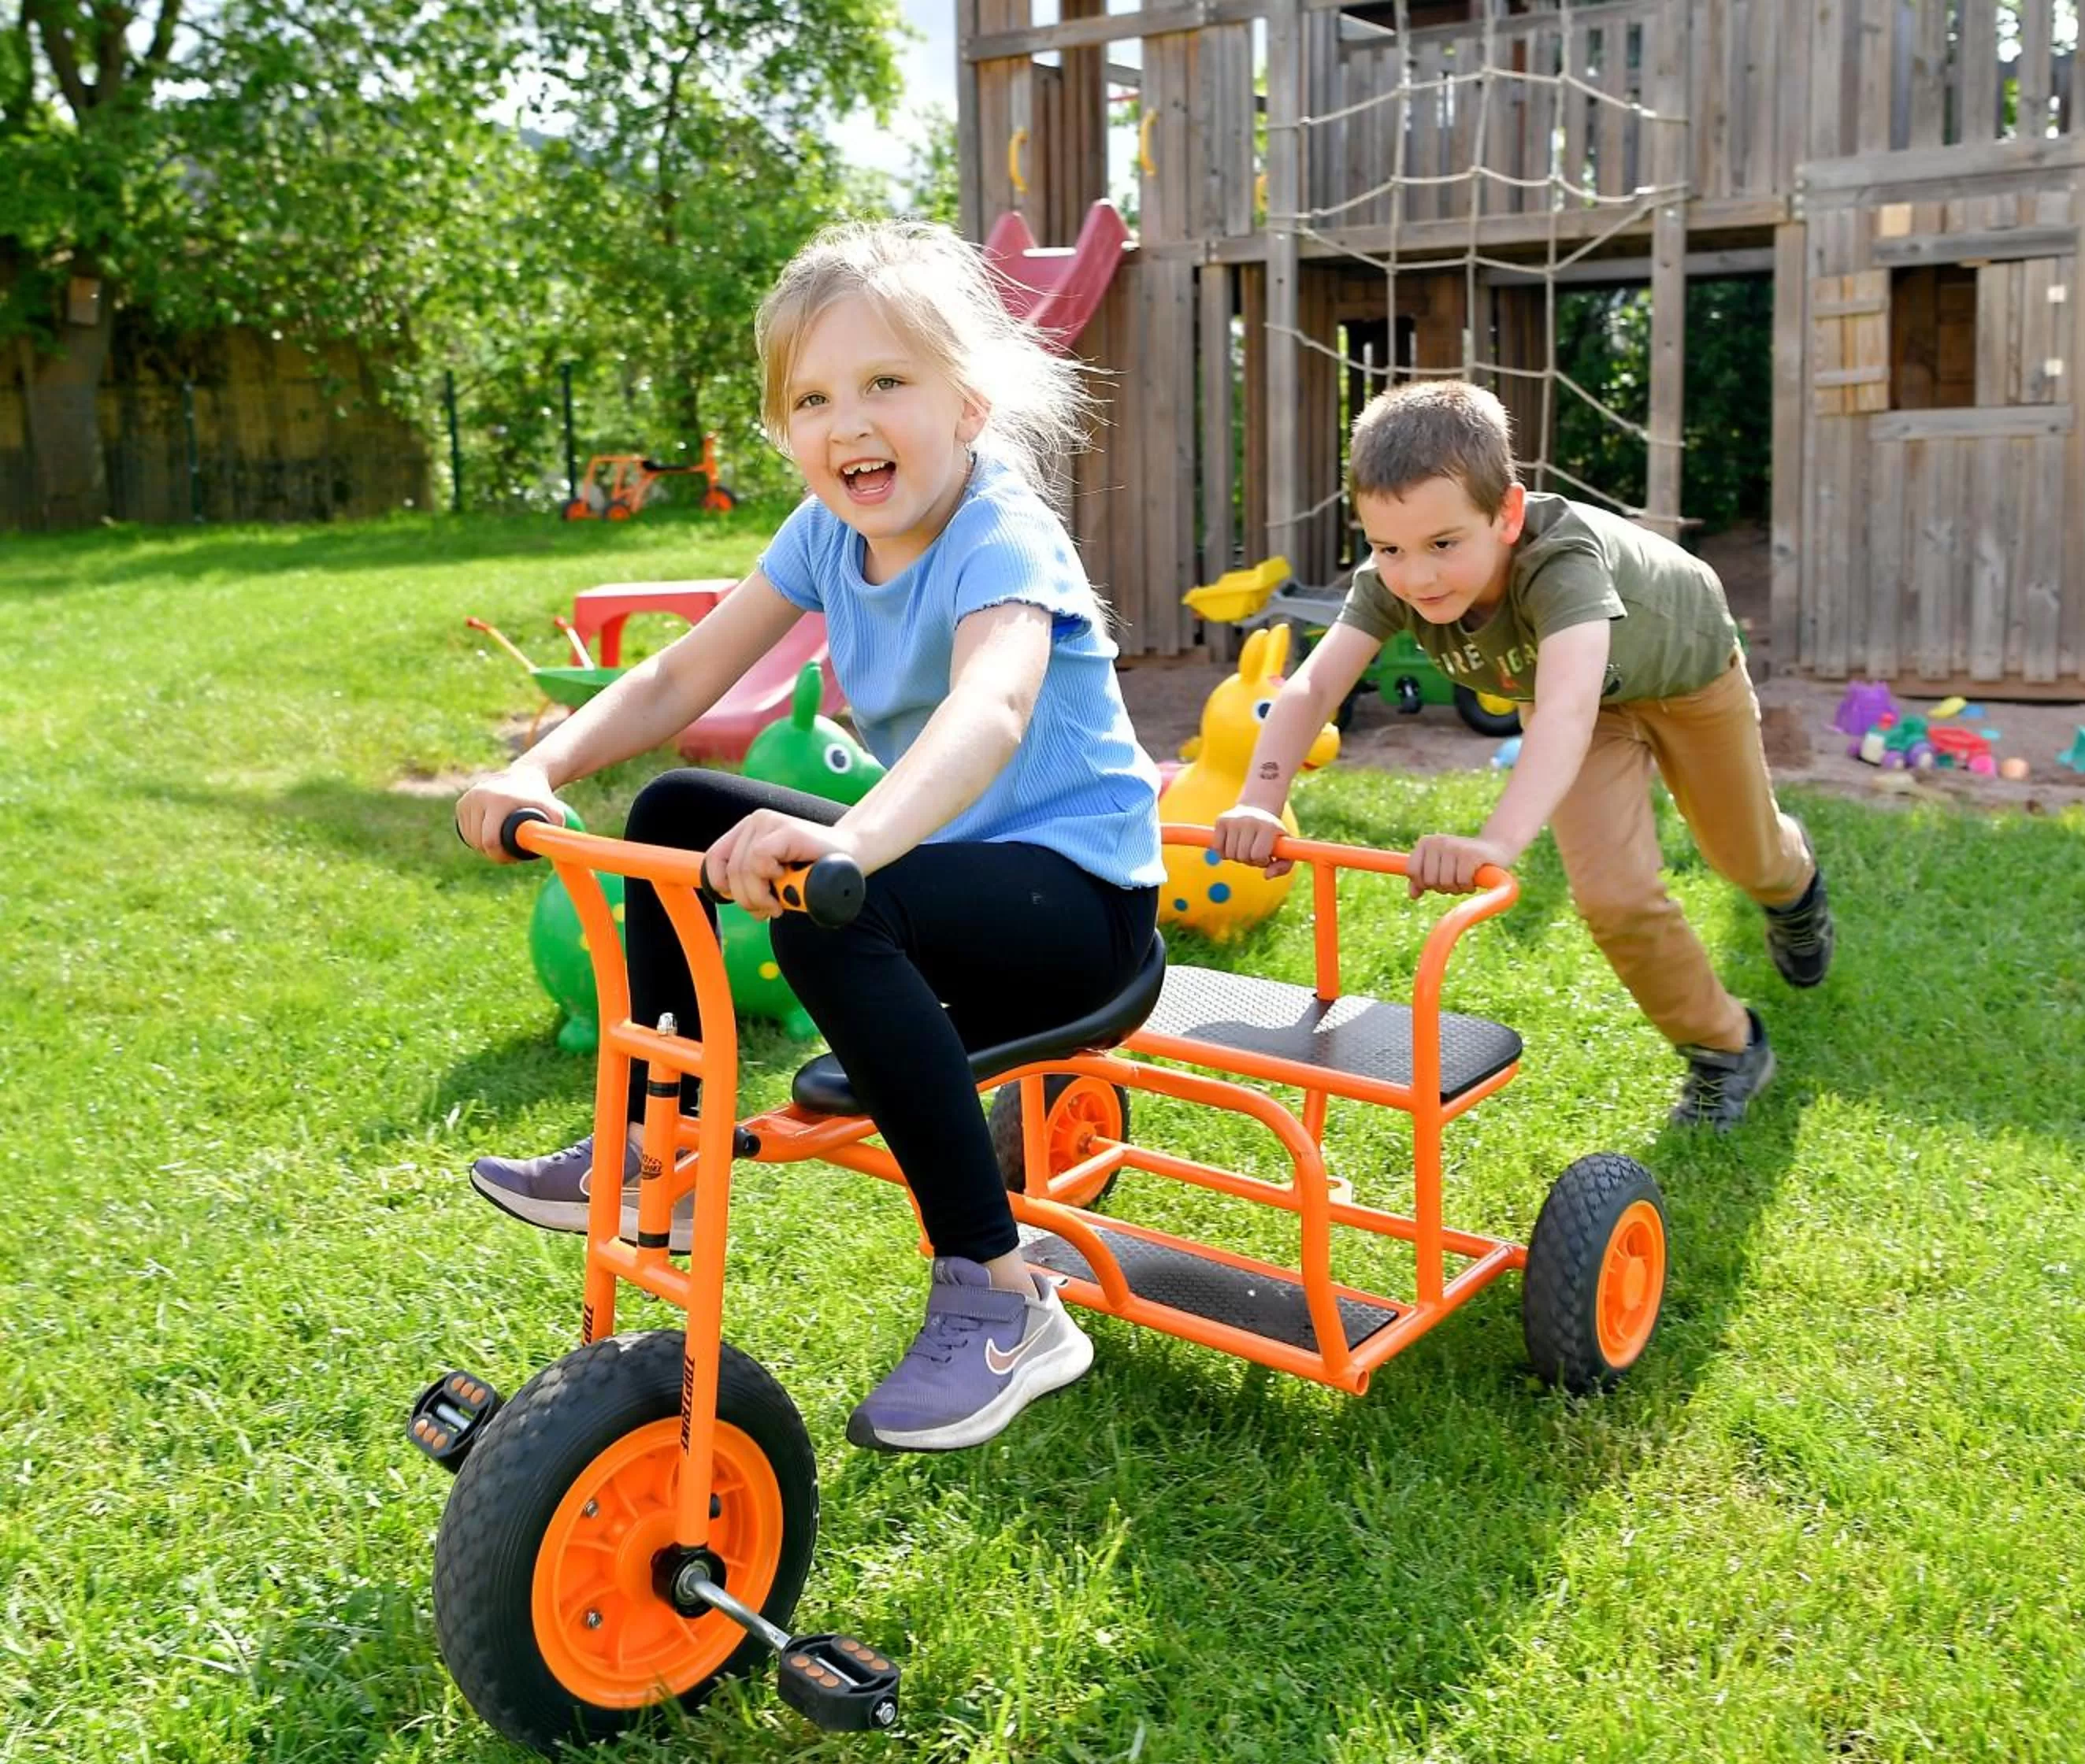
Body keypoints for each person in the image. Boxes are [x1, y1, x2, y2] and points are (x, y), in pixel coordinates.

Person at [454, 220, 1165, 1452]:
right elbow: (683, 674)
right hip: (939, 870)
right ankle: (651, 1144)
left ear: (969, 404)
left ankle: (1004, 1296)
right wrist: (539, 761)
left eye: (888, 383)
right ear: (785, 429)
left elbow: (990, 712)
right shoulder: (827, 534)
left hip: (1080, 910)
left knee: (833, 905)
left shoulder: (1003, 537)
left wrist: (853, 846)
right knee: (678, 804)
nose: (851, 423)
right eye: (814, 397)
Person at [1215, 380, 1831, 1130]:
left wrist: (1496, 839)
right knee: (1612, 897)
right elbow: (1310, 689)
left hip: (1685, 673)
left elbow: (1565, 708)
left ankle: (1794, 888)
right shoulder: (1394, 580)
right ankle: (1728, 1047)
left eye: (1444, 544)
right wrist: (1259, 796)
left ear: (1507, 513)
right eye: (1389, 548)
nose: (1418, 576)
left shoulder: (1560, 560)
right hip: (1577, 698)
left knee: (1744, 854)